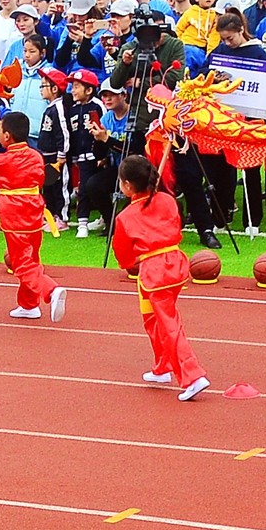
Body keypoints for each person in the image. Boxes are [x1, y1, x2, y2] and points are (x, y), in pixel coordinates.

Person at [104, 152, 208, 401]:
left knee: (168, 323)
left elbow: (123, 253)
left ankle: (192, 375)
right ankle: (162, 366)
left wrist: (129, 263)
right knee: (152, 318)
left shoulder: (125, 217)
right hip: (174, 264)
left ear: (128, 185)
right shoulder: (167, 200)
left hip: (155, 272)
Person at [0, 113, 65, 322]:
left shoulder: (3, 160)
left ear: (7, 136)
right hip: (34, 212)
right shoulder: (36, 156)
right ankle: (29, 305)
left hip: (14, 215)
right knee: (32, 259)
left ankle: (50, 290)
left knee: (21, 263)